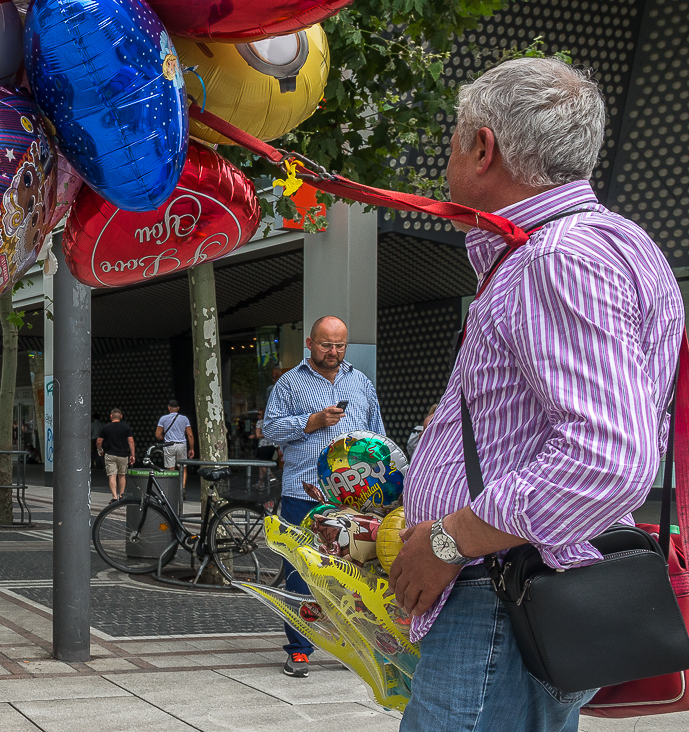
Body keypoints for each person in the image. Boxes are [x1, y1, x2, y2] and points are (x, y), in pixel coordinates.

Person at [386, 58, 684, 732]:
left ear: (483, 146)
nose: (450, 157)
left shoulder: (558, 257)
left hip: (499, 594)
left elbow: (607, 453)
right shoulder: (595, 244)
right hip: (508, 589)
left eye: (455, 139)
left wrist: (446, 540)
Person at [263, 315, 385, 678]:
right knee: (301, 572)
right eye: (326, 344)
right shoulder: (289, 383)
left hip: (354, 498)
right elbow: (269, 430)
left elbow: (377, 436)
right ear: (310, 343)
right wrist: (311, 421)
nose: (333, 352)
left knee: (355, 573)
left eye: (340, 345)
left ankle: (355, 646)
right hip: (304, 493)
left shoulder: (360, 382)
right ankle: (300, 649)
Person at [97, 409, 136, 498]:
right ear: (121, 417)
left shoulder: (105, 427)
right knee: (122, 475)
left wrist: (100, 450)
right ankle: (122, 496)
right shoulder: (126, 427)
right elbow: (130, 441)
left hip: (110, 454)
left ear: (111, 416)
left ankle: (114, 497)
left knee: (112, 475)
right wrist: (132, 455)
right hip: (123, 455)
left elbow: (99, 441)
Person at [156, 401, 195, 488]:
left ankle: (173, 488)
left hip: (169, 445)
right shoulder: (184, 419)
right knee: (183, 468)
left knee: (171, 469)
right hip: (181, 445)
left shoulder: (163, 419)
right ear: (178, 408)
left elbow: (158, 435)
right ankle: (183, 487)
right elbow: (190, 435)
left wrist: (164, 438)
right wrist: (191, 448)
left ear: (169, 408)